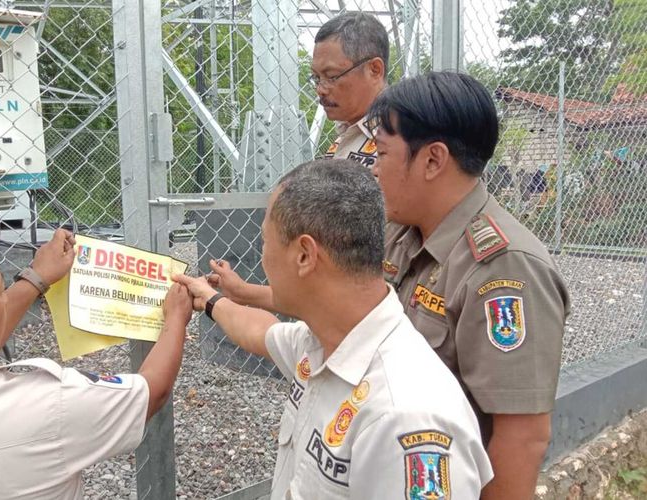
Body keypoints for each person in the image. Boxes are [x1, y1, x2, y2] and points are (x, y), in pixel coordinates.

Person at [204, 72, 571, 500]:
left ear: (432, 160)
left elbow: (522, 438)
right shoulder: (402, 233)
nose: (373, 168)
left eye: (381, 152)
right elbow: (334, 296)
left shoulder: (505, 269)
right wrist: (240, 295)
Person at [174, 159, 492, 499]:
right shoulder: (326, 341)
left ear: (305, 255)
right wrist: (208, 299)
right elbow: (260, 331)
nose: (262, 257)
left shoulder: (405, 418)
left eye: (265, 241)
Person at [0, 227, 192, 499]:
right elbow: (152, 391)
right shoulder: (48, 406)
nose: (5, 299)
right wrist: (176, 316)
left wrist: (37, 276)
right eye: (1, 292)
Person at [312, 12, 388, 168]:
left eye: (331, 76)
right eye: (316, 77)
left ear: (374, 70)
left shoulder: (404, 137)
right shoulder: (349, 132)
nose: (320, 90)